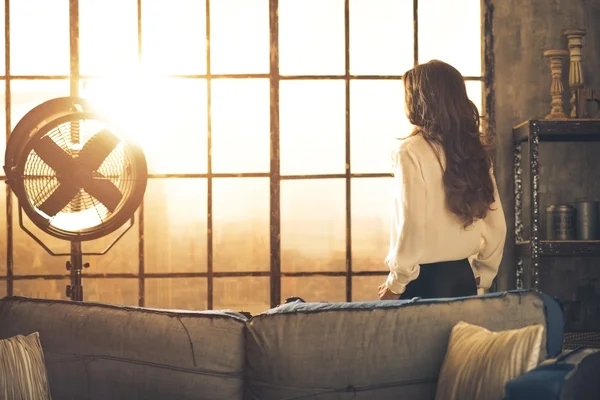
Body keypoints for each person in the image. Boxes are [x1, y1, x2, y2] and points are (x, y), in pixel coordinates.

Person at [377, 60, 507, 301]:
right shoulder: (474, 151)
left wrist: (397, 282)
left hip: (424, 282)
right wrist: (484, 273)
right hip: (464, 277)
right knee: (461, 340)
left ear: (418, 100)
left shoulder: (410, 151)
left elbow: (412, 224)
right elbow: (497, 224)